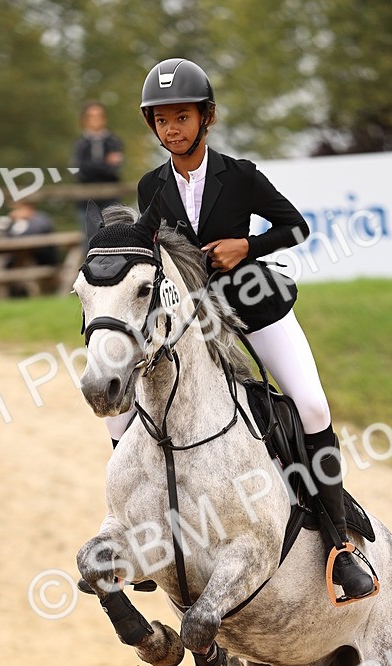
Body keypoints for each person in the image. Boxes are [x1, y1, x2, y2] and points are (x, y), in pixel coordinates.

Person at [122, 57, 374, 602]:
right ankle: (143, 541)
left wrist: (248, 247)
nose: (172, 130)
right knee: (126, 399)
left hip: (253, 305)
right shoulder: (151, 187)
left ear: (206, 118)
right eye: (161, 121)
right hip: (191, 320)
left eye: (182, 118)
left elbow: (295, 226)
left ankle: (339, 547)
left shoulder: (240, 176)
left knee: (311, 407)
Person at [70, 102, 124, 227]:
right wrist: (104, 164)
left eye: (99, 116)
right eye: (91, 116)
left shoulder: (114, 142)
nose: (96, 120)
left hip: (111, 200)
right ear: (84, 120)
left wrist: (90, 166)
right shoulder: (79, 144)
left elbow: (114, 170)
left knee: (113, 237)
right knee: (88, 240)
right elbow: (78, 171)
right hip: (86, 201)